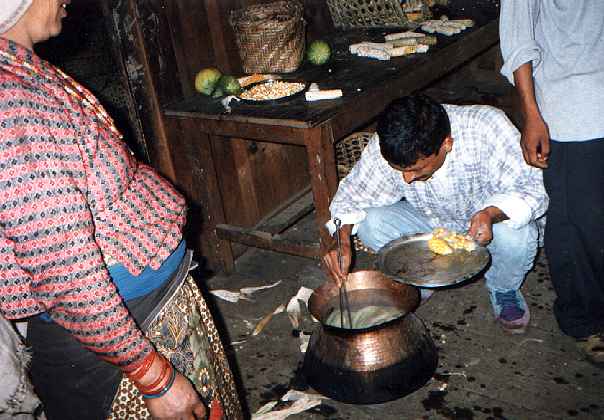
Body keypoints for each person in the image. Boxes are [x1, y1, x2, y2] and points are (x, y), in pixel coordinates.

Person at [0, 1, 242, 419]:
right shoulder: (12, 105)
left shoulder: (22, 71)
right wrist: (154, 377)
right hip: (123, 343)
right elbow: (64, 270)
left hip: (144, 311)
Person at [323, 95, 548, 334]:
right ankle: (423, 279)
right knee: (371, 223)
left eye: (416, 169)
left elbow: (534, 189)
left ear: (446, 144)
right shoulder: (390, 141)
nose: (407, 179)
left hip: (488, 227)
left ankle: (503, 289)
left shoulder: (486, 126)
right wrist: (342, 240)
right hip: (433, 222)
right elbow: (351, 195)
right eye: (399, 170)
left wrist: (491, 214)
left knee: (517, 235)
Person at [499, 0, 604, 364]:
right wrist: (531, 115)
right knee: (575, 223)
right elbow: (518, 40)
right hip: (571, 108)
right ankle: (584, 321)